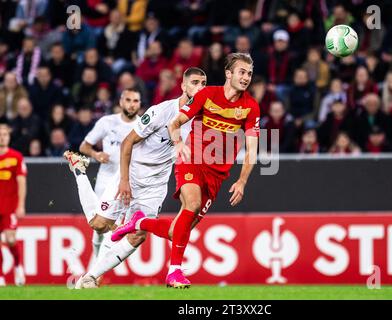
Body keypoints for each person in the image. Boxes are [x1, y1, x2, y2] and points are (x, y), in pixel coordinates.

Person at [113, 53, 260, 288]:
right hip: (191, 160)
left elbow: (252, 149)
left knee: (176, 231)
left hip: (217, 174)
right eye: (242, 72)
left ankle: (139, 223)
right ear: (228, 73)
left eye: (249, 73)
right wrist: (179, 144)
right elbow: (175, 123)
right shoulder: (206, 95)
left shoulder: (250, 107)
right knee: (191, 204)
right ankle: (174, 272)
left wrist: (242, 181)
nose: (246, 77)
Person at [66, 67, 207, 288]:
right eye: (195, 83)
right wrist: (124, 180)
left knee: (138, 235)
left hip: (157, 182)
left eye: (203, 84)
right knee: (99, 225)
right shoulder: (161, 111)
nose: (200, 88)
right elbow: (127, 142)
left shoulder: (200, 117)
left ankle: (89, 277)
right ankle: (79, 171)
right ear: (183, 86)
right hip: (132, 172)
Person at [75, 87, 141, 259]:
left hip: (127, 181)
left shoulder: (143, 125)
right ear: (120, 102)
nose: (132, 105)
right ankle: (97, 262)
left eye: (135, 101)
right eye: (128, 100)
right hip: (105, 179)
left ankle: (96, 272)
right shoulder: (107, 122)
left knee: (116, 227)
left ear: (140, 104)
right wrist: (96, 154)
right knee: (98, 227)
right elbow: (84, 146)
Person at [0, 124, 27, 286]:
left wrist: (21, 205)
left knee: (10, 240)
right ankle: (1, 276)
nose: (2, 137)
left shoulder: (16, 157)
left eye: (5, 134)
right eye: (0, 134)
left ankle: (17, 266)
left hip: (9, 205)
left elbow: (21, 181)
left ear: (9, 137)